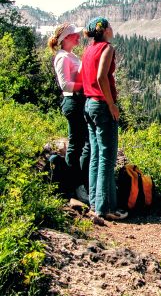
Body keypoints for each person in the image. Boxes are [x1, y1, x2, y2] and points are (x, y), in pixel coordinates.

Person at [81, 17, 127, 221]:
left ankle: (94, 203)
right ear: (106, 30)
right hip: (101, 105)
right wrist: (111, 104)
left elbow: (87, 75)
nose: (112, 28)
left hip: (88, 104)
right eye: (110, 26)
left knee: (96, 155)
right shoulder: (107, 48)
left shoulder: (88, 49)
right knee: (107, 158)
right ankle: (105, 208)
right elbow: (101, 77)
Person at [48, 23, 90, 203]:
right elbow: (65, 85)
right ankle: (76, 185)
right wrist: (87, 86)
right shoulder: (62, 57)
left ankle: (79, 183)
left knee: (82, 142)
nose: (78, 36)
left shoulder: (70, 55)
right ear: (66, 38)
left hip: (78, 101)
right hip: (73, 101)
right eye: (74, 35)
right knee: (77, 144)